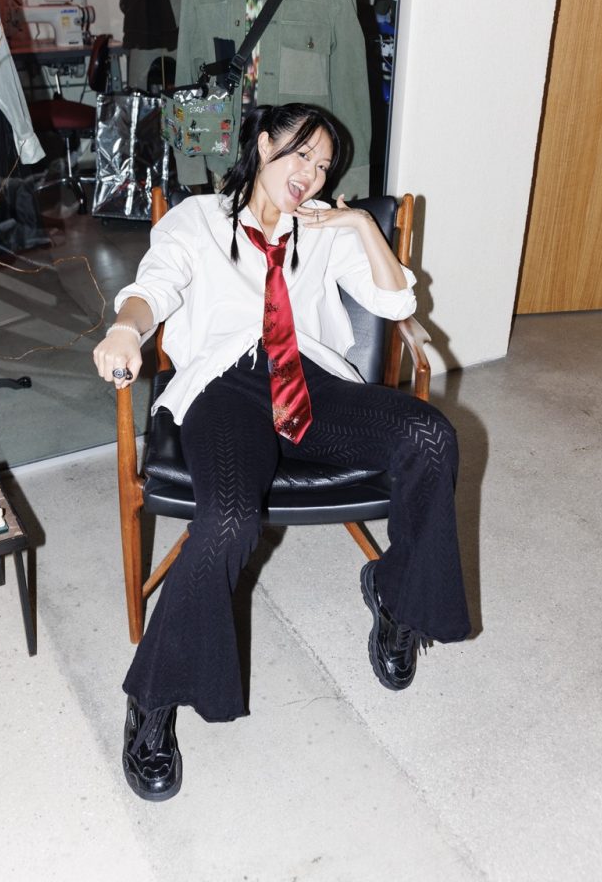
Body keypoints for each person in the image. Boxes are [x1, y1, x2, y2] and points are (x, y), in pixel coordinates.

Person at [93, 103, 470, 802]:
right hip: (227, 388)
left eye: (323, 166)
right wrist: (124, 329)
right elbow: (153, 288)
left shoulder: (324, 228)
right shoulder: (199, 219)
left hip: (311, 383)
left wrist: (359, 226)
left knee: (430, 436)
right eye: (301, 154)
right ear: (264, 143)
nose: (311, 175)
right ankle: (153, 698)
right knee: (228, 521)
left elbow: (393, 308)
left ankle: (394, 596)